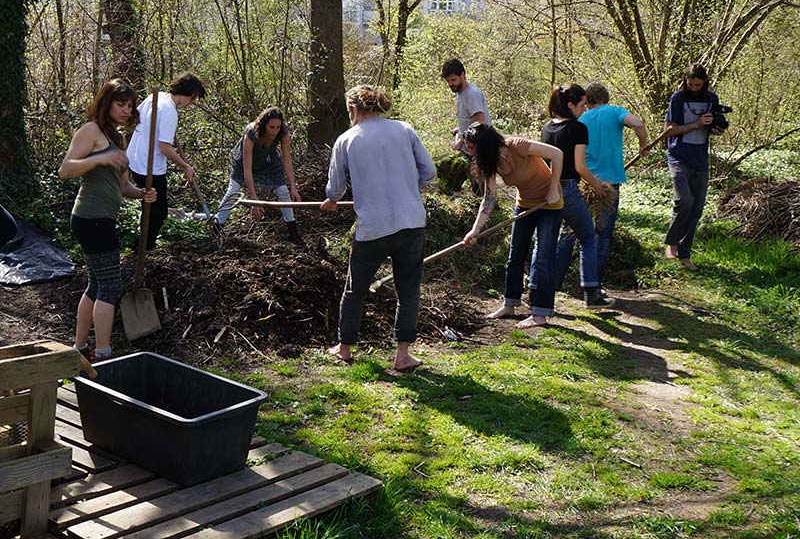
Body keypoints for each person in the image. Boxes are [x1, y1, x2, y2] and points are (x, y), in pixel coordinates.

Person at [322, 85, 436, 371]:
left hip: (374, 226)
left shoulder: (346, 140)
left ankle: (345, 348)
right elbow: (430, 172)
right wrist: (405, 186)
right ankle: (402, 355)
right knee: (408, 289)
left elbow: (334, 189)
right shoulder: (404, 129)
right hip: (411, 221)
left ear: (353, 108)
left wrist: (331, 201)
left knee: (355, 289)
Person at [59, 79, 158, 361]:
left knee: (96, 283)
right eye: (120, 104)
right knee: (110, 286)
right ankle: (103, 354)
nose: (126, 110)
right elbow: (65, 170)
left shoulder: (118, 139)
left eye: (129, 105)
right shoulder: (90, 131)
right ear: (106, 103)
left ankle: (79, 347)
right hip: (91, 217)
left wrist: (142, 193)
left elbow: (122, 186)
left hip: (103, 218)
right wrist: (100, 160)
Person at [462, 122, 564, 328]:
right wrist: (475, 230)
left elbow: (557, 154)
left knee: (544, 257)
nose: (469, 153)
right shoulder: (488, 162)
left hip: (549, 204)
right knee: (514, 256)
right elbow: (489, 198)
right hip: (525, 206)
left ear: (484, 145)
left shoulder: (517, 145)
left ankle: (540, 313)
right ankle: (510, 304)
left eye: (472, 148)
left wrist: (554, 188)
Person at [531, 84, 615, 308]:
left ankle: (535, 286)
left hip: (547, 189)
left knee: (543, 240)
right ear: (570, 105)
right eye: (582, 105)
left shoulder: (547, 128)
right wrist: (596, 186)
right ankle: (592, 292)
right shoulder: (577, 129)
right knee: (588, 237)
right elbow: (580, 166)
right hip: (567, 189)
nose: (584, 110)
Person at [577, 82, 649, 288]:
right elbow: (639, 124)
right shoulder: (615, 112)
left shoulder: (581, 117)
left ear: (587, 101)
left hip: (585, 179)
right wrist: (643, 145)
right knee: (603, 234)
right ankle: (594, 284)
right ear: (605, 99)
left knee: (579, 232)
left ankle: (576, 279)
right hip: (610, 183)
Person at [126, 72, 206, 250]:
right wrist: (185, 166)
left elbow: (137, 119)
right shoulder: (169, 110)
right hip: (149, 166)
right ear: (189, 93)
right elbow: (165, 148)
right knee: (158, 211)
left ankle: (144, 243)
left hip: (134, 159)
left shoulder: (156, 96)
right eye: (193, 99)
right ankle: (147, 247)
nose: (191, 103)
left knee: (150, 206)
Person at [663, 63, 724, 270]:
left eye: (698, 84)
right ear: (685, 81)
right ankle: (671, 243)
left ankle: (685, 253)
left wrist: (715, 128)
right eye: (691, 83)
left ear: (705, 82)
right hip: (678, 157)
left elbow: (715, 124)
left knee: (697, 208)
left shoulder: (711, 99)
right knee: (684, 201)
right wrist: (696, 124)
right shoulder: (678, 98)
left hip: (700, 160)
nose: (694, 87)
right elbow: (669, 130)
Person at [211, 106, 302, 243]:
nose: (275, 131)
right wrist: (254, 201)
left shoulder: (283, 132)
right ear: (264, 125)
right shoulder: (252, 132)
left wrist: (293, 188)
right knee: (233, 191)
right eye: (271, 127)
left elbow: (287, 159)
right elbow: (248, 170)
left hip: (267, 161)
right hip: (243, 164)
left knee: (283, 190)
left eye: (278, 127)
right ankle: (216, 228)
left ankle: (293, 232)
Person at [441, 58, 491, 194]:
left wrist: (460, 142)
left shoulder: (472, 94)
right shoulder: (460, 93)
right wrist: (459, 129)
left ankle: (489, 211)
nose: (451, 84)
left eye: (453, 80)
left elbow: (479, 123)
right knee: (452, 178)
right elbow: (469, 118)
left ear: (463, 75)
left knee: (480, 187)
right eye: (448, 81)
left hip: (478, 147)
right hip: (468, 146)